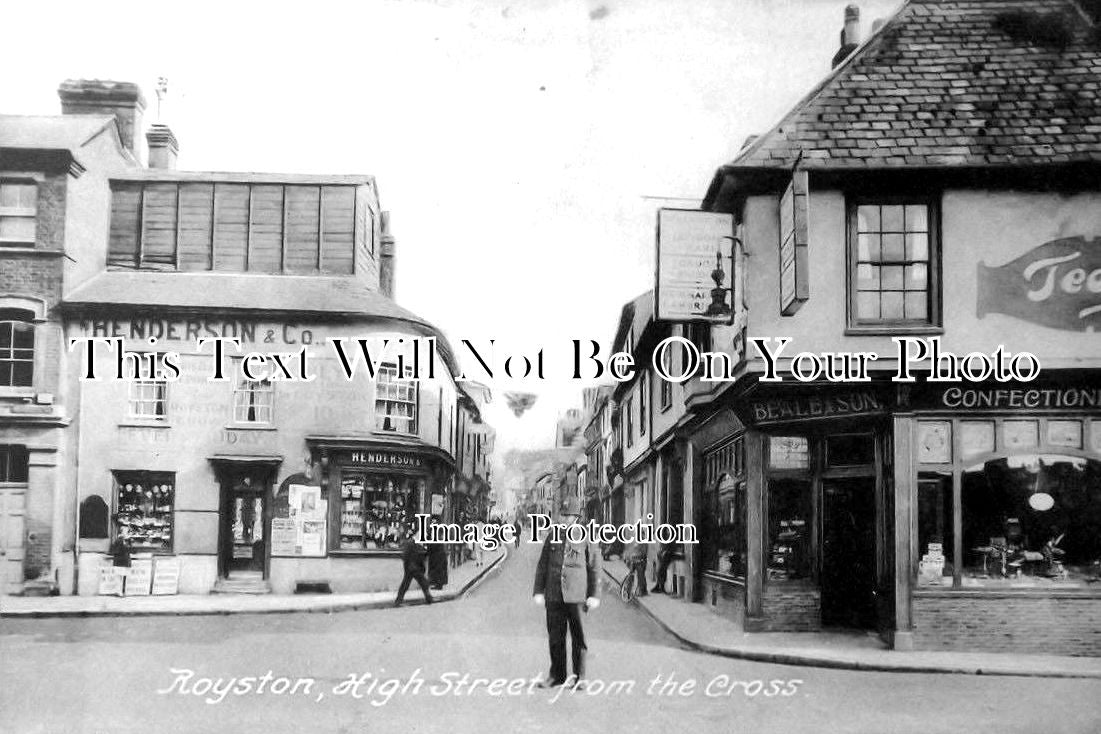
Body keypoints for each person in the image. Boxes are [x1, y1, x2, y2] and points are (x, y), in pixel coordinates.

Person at [533, 496, 601, 688]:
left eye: (570, 516)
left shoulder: (587, 536)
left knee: (579, 638)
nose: (566, 520)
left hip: (577, 595)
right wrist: (539, 590)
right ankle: (557, 675)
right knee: (555, 637)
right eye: (564, 516)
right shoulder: (553, 534)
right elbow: (542, 564)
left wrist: (594, 595)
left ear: (578, 517)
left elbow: (594, 566)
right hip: (554, 594)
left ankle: (580, 678)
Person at [395, 524, 433, 607]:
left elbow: (422, 555)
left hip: (414, 568)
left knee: (407, 584)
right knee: (421, 583)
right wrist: (408, 565)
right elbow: (405, 556)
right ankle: (428, 598)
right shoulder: (410, 543)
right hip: (412, 568)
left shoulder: (418, 544)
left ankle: (398, 600)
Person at [109, 523, 133, 597]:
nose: (127, 533)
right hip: (120, 561)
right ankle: (118, 591)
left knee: (124, 577)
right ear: (122, 532)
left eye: (127, 531)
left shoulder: (127, 540)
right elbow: (115, 550)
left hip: (124, 561)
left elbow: (130, 549)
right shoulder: (119, 540)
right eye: (126, 531)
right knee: (119, 577)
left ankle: (123, 591)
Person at [427, 516, 449, 590]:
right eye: (432, 521)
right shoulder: (433, 529)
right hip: (435, 551)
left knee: (438, 568)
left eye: (435, 521)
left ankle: (439, 584)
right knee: (436, 568)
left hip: (438, 552)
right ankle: (436, 583)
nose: (433, 522)